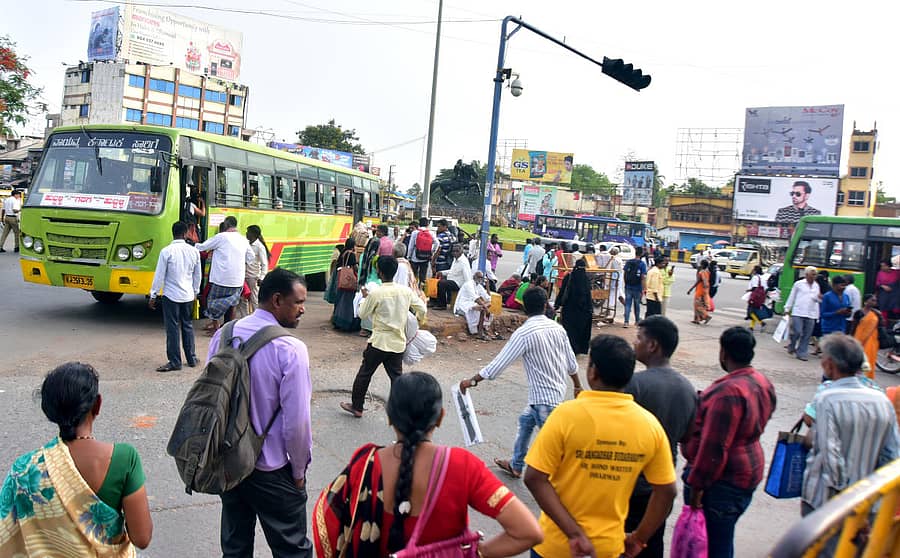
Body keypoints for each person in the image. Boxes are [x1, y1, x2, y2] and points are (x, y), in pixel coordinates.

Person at [315, 372, 542, 556]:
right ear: (441, 417)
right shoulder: (462, 465)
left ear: (390, 417)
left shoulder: (365, 463)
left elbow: (331, 521)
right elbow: (528, 532)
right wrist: (476, 553)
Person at [523, 335, 678, 558]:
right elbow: (667, 491)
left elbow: (534, 478)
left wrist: (574, 533)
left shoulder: (566, 416)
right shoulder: (649, 425)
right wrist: (639, 538)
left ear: (592, 372)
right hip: (608, 548)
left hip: (556, 545)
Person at [208, 268, 314, 557]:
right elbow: (298, 425)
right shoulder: (290, 349)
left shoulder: (224, 334)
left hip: (229, 464)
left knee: (235, 547)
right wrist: (299, 472)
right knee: (292, 550)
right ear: (277, 300)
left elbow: (212, 400)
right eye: (298, 302)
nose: (303, 309)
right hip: (271, 469)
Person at [0, 362, 152, 554]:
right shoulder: (124, 459)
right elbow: (142, 537)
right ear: (97, 405)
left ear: (49, 411)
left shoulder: (23, 470)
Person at [458, 287, 582, 479]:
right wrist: (577, 385)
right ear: (544, 306)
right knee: (525, 422)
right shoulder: (558, 328)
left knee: (555, 447)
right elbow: (572, 363)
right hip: (549, 394)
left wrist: (472, 381)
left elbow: (498, 365)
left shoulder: (524, 333)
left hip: (545, 400)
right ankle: (516, 464)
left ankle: (571, 482)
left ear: (524, 308)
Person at [682, 327, 776, 558]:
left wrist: (697, 486)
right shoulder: (761, 381)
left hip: (724, 482)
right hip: (749, 470)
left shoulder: (728, 393)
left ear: (723, 353)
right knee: (723, 537)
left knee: (717, 543)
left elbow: (714, 449)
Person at [802, 334, 899, 520]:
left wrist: (843, 498)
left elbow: (831, 456)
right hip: (868, 503)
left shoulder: (828, 398)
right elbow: (892, 455)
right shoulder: (882, 399)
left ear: (830, 364)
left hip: (826, 502)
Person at [625, 316, 698, 558]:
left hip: (631, 484)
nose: (634, 343)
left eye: (639, 338)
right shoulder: (687, 388)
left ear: (653, 345)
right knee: (652, 543)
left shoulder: (635, 384)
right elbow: (688, 436)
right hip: (662, 483)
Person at [341, 256, 427, 418]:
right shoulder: (405, 291)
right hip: (398, 342)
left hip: (379, 341)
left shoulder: (376, 293)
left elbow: (361, 313)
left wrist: (365, 298)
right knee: (396, 377)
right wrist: (418, 321)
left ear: (379, 272)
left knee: (365, 374)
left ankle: (357, 406)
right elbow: (421, 308)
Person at [149, 221, 201, 372]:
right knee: (187, 326)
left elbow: (159, 276)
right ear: (186, 234)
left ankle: (175, 361)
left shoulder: (166, 251)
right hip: (188, 295)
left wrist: (153, 295)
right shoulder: (194, 251)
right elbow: (197, 275)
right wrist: (195, 292)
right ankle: (191, 358)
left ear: (173, 232)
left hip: (171, 296)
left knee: (172, 328)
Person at [196, 216, 254, 334]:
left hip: (221, 279)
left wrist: (190, 245)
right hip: (237, 281)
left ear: (226, 225)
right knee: (232, 304)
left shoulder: (221, 237)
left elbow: (202, 247)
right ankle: (228, 330)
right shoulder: (243, 240)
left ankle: (216, 327)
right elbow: (251, 257)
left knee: (211, 302)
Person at [554, 258, 593, 354]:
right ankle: (579, 349)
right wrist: (590, 308)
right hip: (583, 310)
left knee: (569, 329)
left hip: (569, 309)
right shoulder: (586, 279)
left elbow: (563, 291)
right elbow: (588, 295)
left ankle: (570, 348)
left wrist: (557, 304)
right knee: (580, 329)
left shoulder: (569, 277)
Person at [784, 266, 823, 361]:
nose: (814, 277)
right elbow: (792, 296)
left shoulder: (816, 285)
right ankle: (792, 344)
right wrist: (787, 308)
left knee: (807, 335)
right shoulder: (799, 284)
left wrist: (819, 298)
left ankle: (801, 353)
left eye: (815, 275)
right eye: (812, 274)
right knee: (797, 331)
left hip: (811, 313)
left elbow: (817, 300)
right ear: (806, 275)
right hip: (798, 311)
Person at [454, 271, 500, 340]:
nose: (480, 279)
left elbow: (488, 298)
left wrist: (487, 286)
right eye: (479, 277)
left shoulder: (478, 286)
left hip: (472, 304)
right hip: (463, 305)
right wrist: (486, 308)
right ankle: (480, 333)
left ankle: (483, 330)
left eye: (481, 278)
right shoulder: (469, 284)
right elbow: (475, 298)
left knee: (486, 305)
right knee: (482, 308)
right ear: (474, 277)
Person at [331, 238, 361, 332]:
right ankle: (345, 323)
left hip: (341, 279)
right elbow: (355, 267)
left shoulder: (343, 252)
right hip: (348, 280)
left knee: (339, 300)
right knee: (347, 302)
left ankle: (336, 321)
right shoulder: (351, 254)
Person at [852, 294, 883, 379]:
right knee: (858, 361)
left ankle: (867, 380)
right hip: (858, 340)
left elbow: (881, 328)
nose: (874, 302)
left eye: (875, 300)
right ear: (865, 302)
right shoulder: (859, 313)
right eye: (872, 300)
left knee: (868, 361)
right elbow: (854, 327)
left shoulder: (876, 314)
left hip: (871, 341)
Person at [433, 244, 471, 310]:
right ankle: (434, 302)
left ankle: (442, 305)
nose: (455, 253)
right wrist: (442, 272)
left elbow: (467, 277)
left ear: (461, 251)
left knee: (441, 283)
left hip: (458, 283)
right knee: (436, 281)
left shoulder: (463, 262)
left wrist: (467, 290)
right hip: (452, 280)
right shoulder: (455, 259)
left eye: (457, 251)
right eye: (453, 251)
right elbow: (452, 271)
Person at [243, 224, 270, 317]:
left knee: (254, 299)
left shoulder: (259, 247)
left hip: (253, 277)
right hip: (243, 276)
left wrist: (261, 277)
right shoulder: (245, 243)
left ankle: (256, 317)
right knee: (243, 299)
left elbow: (264, 264)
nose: (246, 234)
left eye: (248, 232)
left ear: (253, 234)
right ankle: (245, 317)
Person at [623, 246, 648, 328]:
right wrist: (644, 288)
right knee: (637, 304)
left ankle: (626, 322)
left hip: (628, 286)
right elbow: (643, 277)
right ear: (641, 254)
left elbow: (625, 273)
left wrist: (626, 283)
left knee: (627, 304)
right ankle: (637, 321)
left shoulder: (629, 262)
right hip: (637, 287)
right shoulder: (642, 264)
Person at [406, 217, 435, 284]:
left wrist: (408, 256)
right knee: (423, 277)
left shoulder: (415, 232)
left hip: (415, 257)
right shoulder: (431, 233)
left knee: (413, 276)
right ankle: (422, 290)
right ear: (427, 224)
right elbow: (437, 243)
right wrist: (432, 251)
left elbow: (411, 246)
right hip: (426, 257)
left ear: (419, 224)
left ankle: (413, 289)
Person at [746, 264, 772, 332]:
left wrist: (749, 291)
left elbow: (754, 287)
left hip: (755, 297)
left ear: (755, 270)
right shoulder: (763, 278)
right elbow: (766, 288)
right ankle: (751, 327)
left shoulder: (755, 277)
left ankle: (762, 323)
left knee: (751, 312)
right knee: (754, 311)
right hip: (761, 296)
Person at [688, 259, 712, 325]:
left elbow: (699, 281)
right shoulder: (708, 272)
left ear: (702, 265)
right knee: (701, 304)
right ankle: (697, 319)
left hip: (700, 290)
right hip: (705, 290)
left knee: (697, 305)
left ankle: (706, 316)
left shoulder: (702, 272)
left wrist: (691, 289)